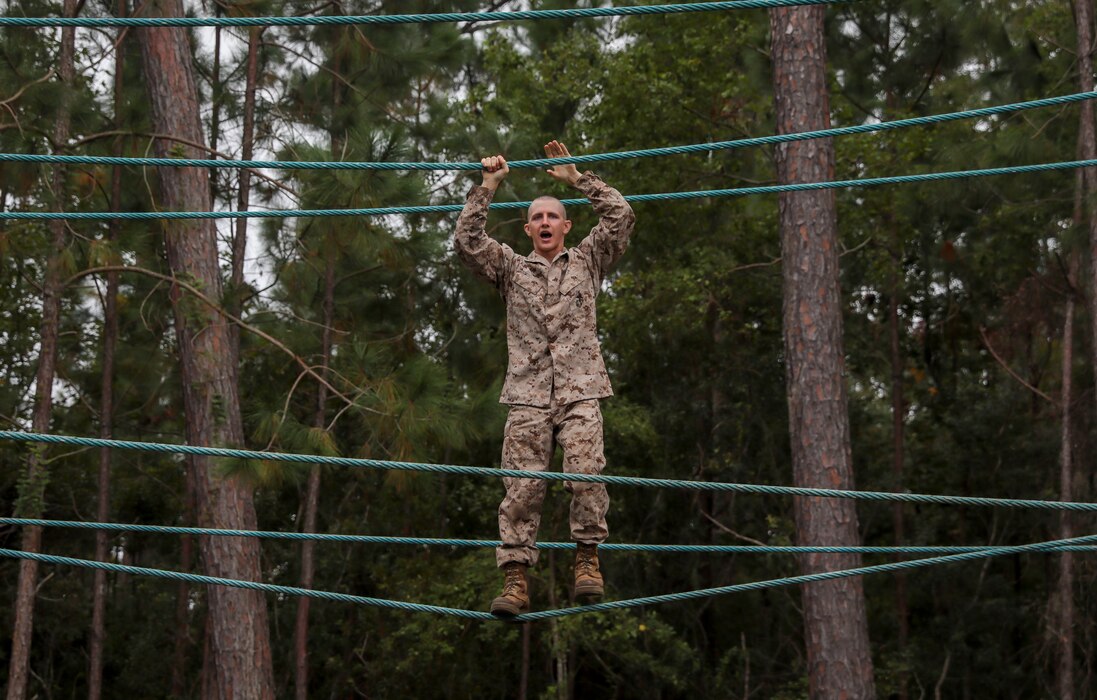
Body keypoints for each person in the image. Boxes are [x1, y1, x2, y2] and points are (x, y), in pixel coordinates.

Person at [453, 140, 636, 616]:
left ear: (567, 225)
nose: (545, 223)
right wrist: (488, 187)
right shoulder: (511, 269)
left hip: (580, 392)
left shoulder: (589, 259)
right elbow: (468, 242)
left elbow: (621, 217)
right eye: (537, 217)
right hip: (529, 397)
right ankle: (515, 580)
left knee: (586, 474)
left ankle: (588, 561)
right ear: (527, 227)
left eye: (553, 216)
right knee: (521, 488)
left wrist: (577, 179)